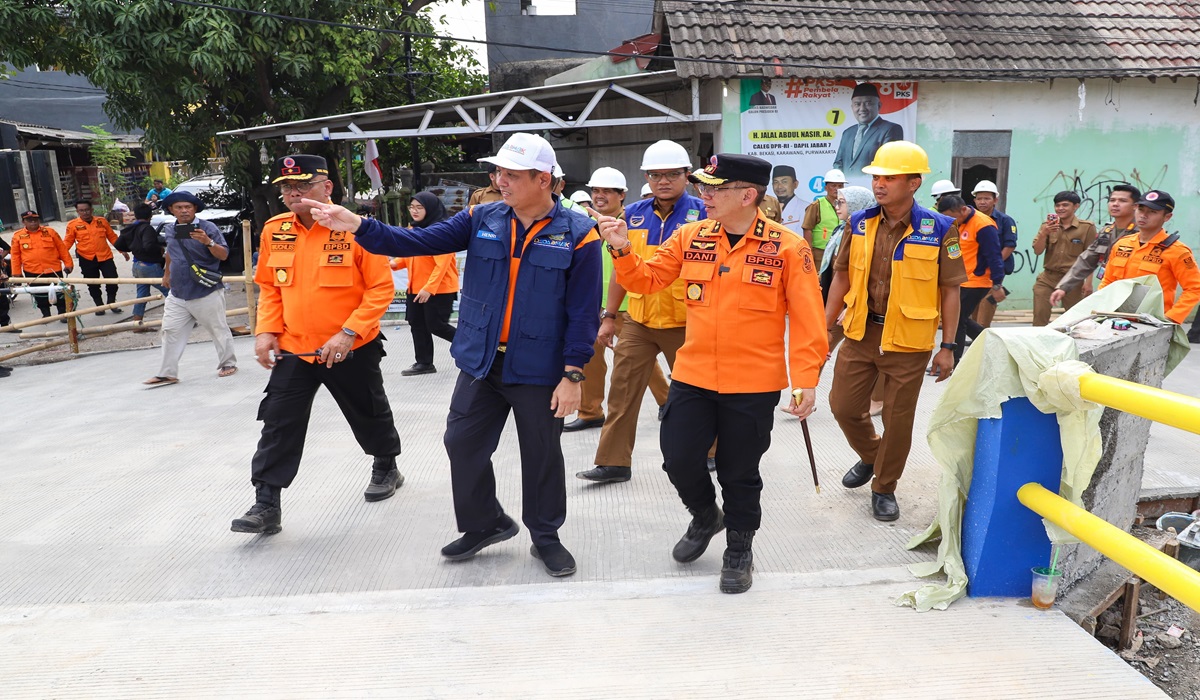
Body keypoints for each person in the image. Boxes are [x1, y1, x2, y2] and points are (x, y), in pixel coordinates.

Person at [303, 133, 602, 578]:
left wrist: (573, 374)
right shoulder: (483, 217)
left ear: (544, 179)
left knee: (540, 453)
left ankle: (546, 536)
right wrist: (359, 226)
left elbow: (582, 312)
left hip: (540, 367)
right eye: (498, 172)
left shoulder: (578, 234)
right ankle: (487, 524)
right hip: (482, 360)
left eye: (513, 174)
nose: (501, 181)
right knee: (460, 443)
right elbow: (417, 242)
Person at [597, 153, 827, 594]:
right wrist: (623, 248)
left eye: (714, 189)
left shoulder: (788, 248)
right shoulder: (691, 236)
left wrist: (806, 380)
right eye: (703, 187)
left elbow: (807, 319)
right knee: (678, 457)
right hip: (694, 374)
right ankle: (706, 516)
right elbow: (646, 281)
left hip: (753, 383)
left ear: (747, 195)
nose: (704, 195)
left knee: (739, 472)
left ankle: (739, 548)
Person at [230, 154, 404, 536]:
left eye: (303, 185)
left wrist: (349, 332)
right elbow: (271, 287)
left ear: (327, 188)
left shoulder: (356, 229)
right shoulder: (275, 229)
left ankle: (386, 464)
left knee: (367, 410)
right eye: (287, 187)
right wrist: (265, 331)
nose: (293, 193)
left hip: (350, 345)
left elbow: (380, 288)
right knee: (278, 422)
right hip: (294, 346)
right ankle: (266, 503)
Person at [825, 141, 967, 522]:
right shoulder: (858, 223)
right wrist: (825, 327)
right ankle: (873, 456)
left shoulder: (940, 229)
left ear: (914, 182)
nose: (879, 185)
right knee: (843, 407)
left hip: (909, 341)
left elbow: (950, 290)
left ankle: (884, 487)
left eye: (890, 177)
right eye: (876, 177)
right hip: (859, 332)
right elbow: (840, 276)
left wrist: (948, 346)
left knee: (898, 419)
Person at [577, 140, 705, 484]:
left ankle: (709, 451)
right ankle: (613, 463)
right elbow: (622, 269)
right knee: (622, 390)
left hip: (687, 320)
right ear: (647, 177)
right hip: (638, 318)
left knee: (699, 393)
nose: (663, 181)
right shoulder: (633, 214)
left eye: (671, 174)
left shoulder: (704, 213)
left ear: (686, 175)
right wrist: (608, 317)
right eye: (655, 174)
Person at [567, 166, 670, 433]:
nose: (600, 196)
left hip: (626, 306)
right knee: (589, 358)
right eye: (596, 191)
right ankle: (590, 412)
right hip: (592, 304)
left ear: (621, 195)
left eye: (607, 191)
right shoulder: (588, 224)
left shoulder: (634, 222)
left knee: (640, 360)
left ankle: (667, 401)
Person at [143, 191, 237, 386]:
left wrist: (207, 242)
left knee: (217, 328)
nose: (184, 211)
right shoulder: (170, 229)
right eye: (179, 207)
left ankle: (228, 363)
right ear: (171, 210)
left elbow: (223, 255)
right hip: (178, 291)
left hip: (205, 289)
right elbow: (170, 252)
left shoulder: (208, 227)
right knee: (170, 330)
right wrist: (166, 274)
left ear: (195, 209)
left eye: (188, 207)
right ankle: (167, 373)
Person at [1098, 190, 1200, 325]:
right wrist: (1099, 307)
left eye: (1152, 212)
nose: (1144, 215)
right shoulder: (1123, 244)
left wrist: (1171, 318)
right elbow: (1108, 280)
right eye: (1140, 209)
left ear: (1167, 217)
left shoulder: (1177, 251)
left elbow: (1194, 288)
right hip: (1115, 319)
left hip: (1153, 323)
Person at [391, 191, 459, 376]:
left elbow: (442, 264)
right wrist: (394, 263)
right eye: (412, 207)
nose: (414, 211)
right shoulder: (414, 230)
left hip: (439, 289)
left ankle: (473, 348)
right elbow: (410, 256)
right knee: (417, 323)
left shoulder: (441, 231)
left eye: (419, 207)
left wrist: (429, 289)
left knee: (436, 325)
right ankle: (424, 363)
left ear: (429, 209)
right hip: (416, 287)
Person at [936, 195, 1005, 363]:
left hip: (976, 281)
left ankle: (954, 359)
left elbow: (994, 255)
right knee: (960, 318)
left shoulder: (983, 225)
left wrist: (997, 284)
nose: (950, 221)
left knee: (957, 319)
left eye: (952, 217)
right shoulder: (957, 223)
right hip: (959, 279)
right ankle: (994, 343)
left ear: (963, 209)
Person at [1050, 184, 1139, 309]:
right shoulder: (1107, 232)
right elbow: (1086, 260)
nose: (1115, 204)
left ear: (1135, 206)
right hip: (1109, 292)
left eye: (1122, 201)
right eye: (1112, 200)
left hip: (1135, 295)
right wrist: (1063, 287)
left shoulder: (1142, 233)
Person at [1031, 191, 1097, 326]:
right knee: (1039, 316)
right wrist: (1044, 233)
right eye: (1057, 205)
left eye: (1065, 205)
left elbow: (1091, 257)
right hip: (1047, 278)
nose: (1060, 208)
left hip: (1073, 280)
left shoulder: (1087, 228)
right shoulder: (1047, 226)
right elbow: (1037, 251)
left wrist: (1088, 282)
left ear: (1076, 206)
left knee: (1075, 320)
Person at [969, 180, 1018, 328]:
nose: (982, 202)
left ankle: (982, 333)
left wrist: (993, 265)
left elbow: (1010, 245)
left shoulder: (1005, 221)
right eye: (979, 198)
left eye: (987, 198)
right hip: (974, 270)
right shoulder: (969, 220)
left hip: (994, 271)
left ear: (995, 200)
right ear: (974, 200)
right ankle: (975, 336)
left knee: (987, 302)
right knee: (973, 303)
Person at [65, 200, 129, 314]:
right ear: (77, 211)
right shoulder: (73, 225)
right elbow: (67, 243)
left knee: (113, 279)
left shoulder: (101, 221)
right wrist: (61, 257)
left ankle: (111, 303)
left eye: (87, 210)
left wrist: (122, 250)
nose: (85, 212)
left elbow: (112, 237)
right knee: (93, 284)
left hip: (105, 256)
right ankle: (99, 306)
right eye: (81, 210)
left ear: (91, 209)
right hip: (87, 258)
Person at [832, 83, 905, 177]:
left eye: (868, 103)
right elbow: (838, 163)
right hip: (847, 189)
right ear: (852, 107)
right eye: (857, 104)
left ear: (879, 106)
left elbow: (888, 164)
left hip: (873, 188)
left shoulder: (891, 129)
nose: (862, 109)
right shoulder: (848, 132)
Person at [10, 210, 72, 319]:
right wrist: (17, 273)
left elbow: (62, 249)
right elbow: (15, 256)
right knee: (39, 294)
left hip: (53, 269)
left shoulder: (50, 232)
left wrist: (68, 264)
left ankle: (62, 314)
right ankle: (46, 314)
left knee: (59, 293)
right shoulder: (17, 236)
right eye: (29, 220)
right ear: (23, 221)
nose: (33, 222)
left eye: (35, 219)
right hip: (32, 271)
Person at [115, 203, 168, 326]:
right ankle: (182, 320)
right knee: (171, 293)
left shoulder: (130, 228)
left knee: (142, 296)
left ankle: (136, 324)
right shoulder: (147, 228)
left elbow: (118, 244)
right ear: (150, 216)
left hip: (137, 265)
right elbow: (148, 245)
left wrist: (133, 248)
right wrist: (159, 249)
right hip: (150, 266)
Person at [800, 168, 847, 269]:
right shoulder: (817, 205)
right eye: (833, 186)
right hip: (820, 254)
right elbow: (807, 229)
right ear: (826, 188)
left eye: (840, 186)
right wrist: (809, 254)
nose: (837, 189)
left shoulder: (847, 205)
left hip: (840, 253)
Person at [772, 165, 805, 235]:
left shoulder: (806, 208)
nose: (779, 186)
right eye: (776, 182)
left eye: (784, 182)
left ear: (795, 184)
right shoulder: (767, 207)